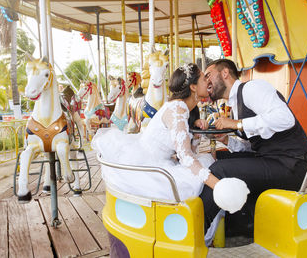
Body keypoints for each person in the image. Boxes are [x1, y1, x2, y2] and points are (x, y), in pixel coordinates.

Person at [92, 63, 249, 241]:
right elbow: (185, 157)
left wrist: (195, 131)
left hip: (161, 161)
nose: (208, 82)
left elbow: (187, 149)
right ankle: (195, 234)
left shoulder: (185, 109)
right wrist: (218, 185)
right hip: (152, 166)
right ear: (193, 87)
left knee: (207, 161)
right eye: (204, 79)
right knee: (207, 168)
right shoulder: (178, 108)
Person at [200, 59, 307, 236]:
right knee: (213, 160)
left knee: (219, 170)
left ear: (225, 73)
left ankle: (195, 232)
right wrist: (226, 140)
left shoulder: (252, 89)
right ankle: (237, 224)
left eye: (208, 75)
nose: (206, 81)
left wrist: (238, 124)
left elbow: (285, 118)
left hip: (292, 165)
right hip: (271, 159)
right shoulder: (235, 104)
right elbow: (255, 145)